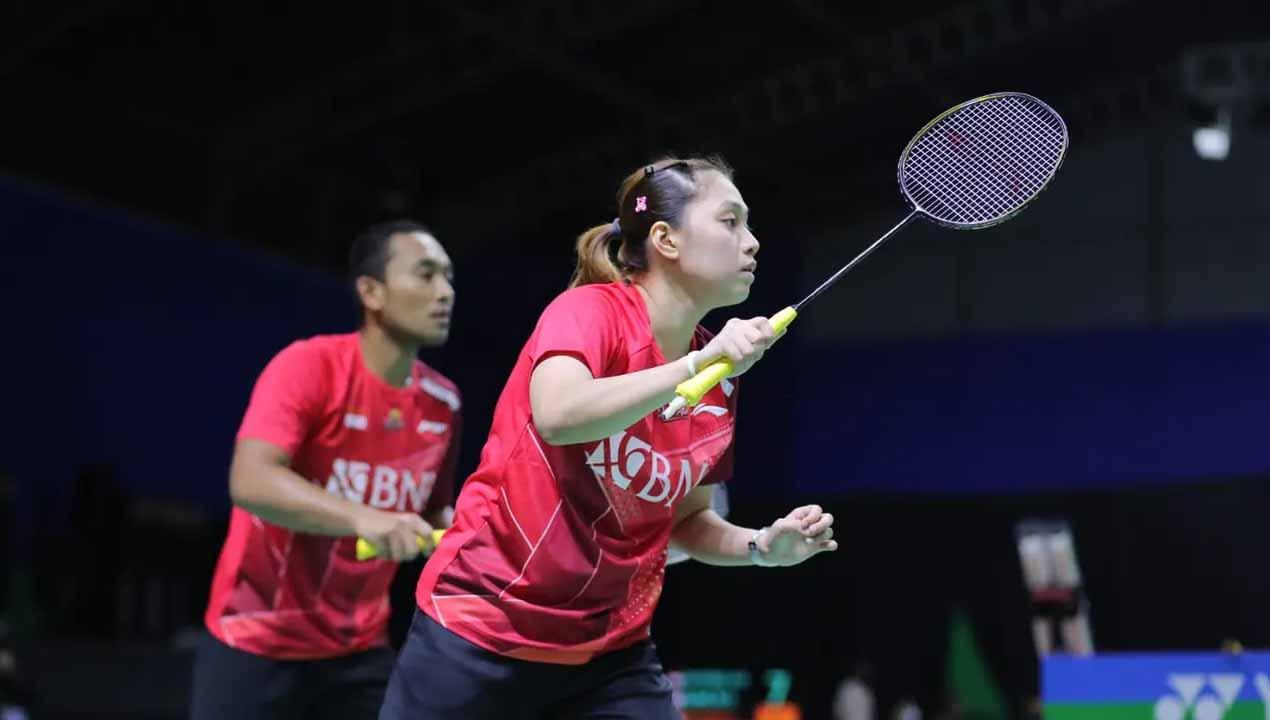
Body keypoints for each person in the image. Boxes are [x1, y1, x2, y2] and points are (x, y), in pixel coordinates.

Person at [380, 157, 838, 719]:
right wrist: (694, 365)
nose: (753, 241)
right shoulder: (590, 312)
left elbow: (686, 522)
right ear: (666, 239)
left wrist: (761, 547)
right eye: (730, 221)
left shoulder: (719, 380)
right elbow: (559, 413)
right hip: (481, 631)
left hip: (609, 654)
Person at [190, 220, 462, 720]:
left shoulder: (443, 403)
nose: (444, 292)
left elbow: (433, 512)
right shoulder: (309, 367)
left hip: (358, 648)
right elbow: (250, 479)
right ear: (371, 291)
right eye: (425, 275)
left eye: (448, 277)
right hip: (256, 637)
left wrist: (469, 532)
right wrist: (362, 517)